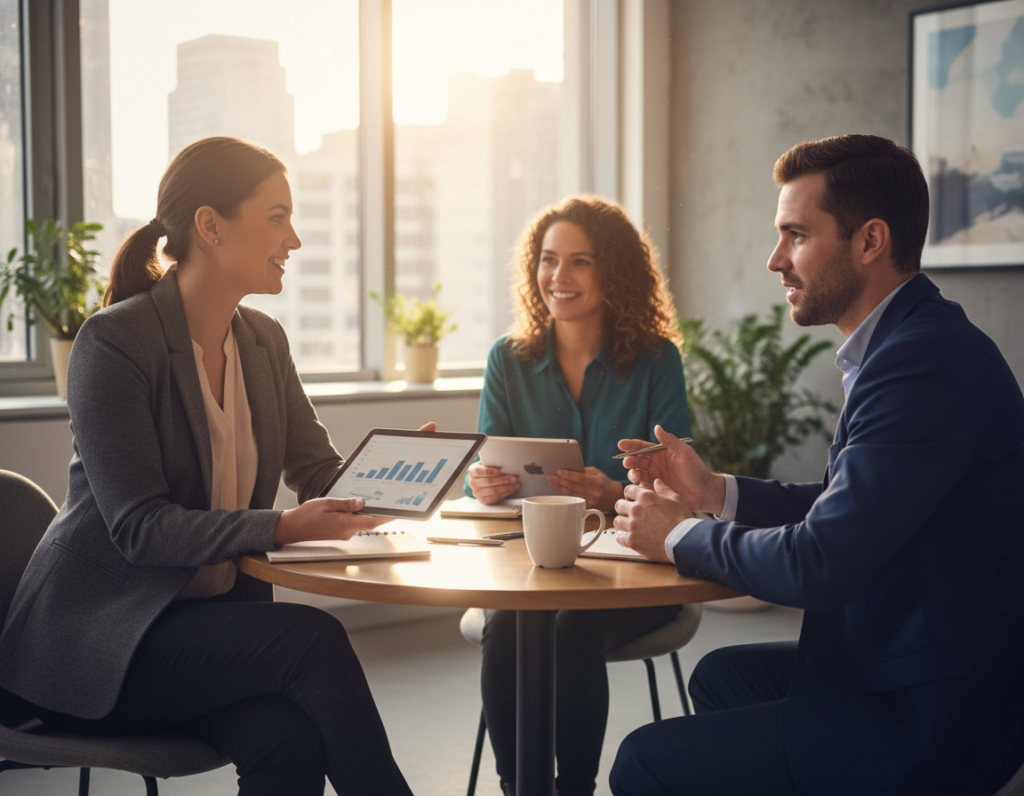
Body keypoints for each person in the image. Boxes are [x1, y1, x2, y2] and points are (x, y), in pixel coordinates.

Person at [0, 136, 420, 796]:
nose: (296, 240)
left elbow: (316, 469)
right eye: (277, 216)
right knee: (312, 639)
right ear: (210, 226)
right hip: (97, 647)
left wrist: (394, 477)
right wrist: (283, 528)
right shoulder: (113, 342)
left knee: (287, 737)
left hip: (198, 635)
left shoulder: (262, 342)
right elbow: (140, 528)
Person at [609, 134, 1024, 796]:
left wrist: (678, 535)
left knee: (641, 761)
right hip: (912, 661)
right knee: (722, 677)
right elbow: (845, 505)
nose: (776, 260)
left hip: (936, 711)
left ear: (870, 242)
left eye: (796, 235)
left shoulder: (919, 364)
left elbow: (820, 564)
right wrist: (714, 490)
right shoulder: (906, 344)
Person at [465, 195, 693, 796]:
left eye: (580, 262)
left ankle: (574, 791)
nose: (557, 278)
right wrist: (482, 482)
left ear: (612, 271)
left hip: (635, 568)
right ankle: (520, 789)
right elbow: (484, 469)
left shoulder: (656, 361)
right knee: (510, 624)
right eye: (547, 260)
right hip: (530, 565)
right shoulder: (507, 359)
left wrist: (613, 489)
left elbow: (680, 485)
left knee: (569, 628)